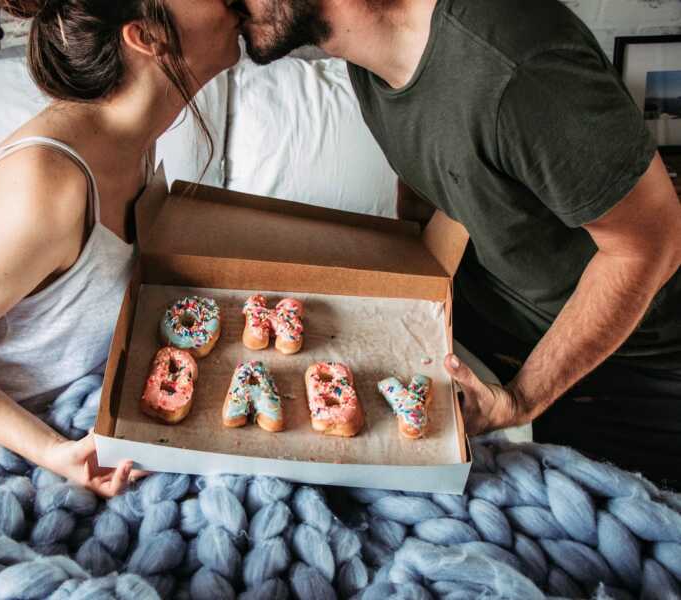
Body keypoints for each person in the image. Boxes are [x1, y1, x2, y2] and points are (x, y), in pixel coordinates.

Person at [234, 0, 681, 486]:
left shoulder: (517, 67)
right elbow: (438, 183)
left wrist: (520, 399)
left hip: (627, 370)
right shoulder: (368, 57)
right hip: (485, 326)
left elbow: (650, 246)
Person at [0, 0, 242, 497]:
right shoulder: (41, 187)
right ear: (146, 36)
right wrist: (52, 452)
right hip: (27, 441)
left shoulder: (133, 137)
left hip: (112, 401)